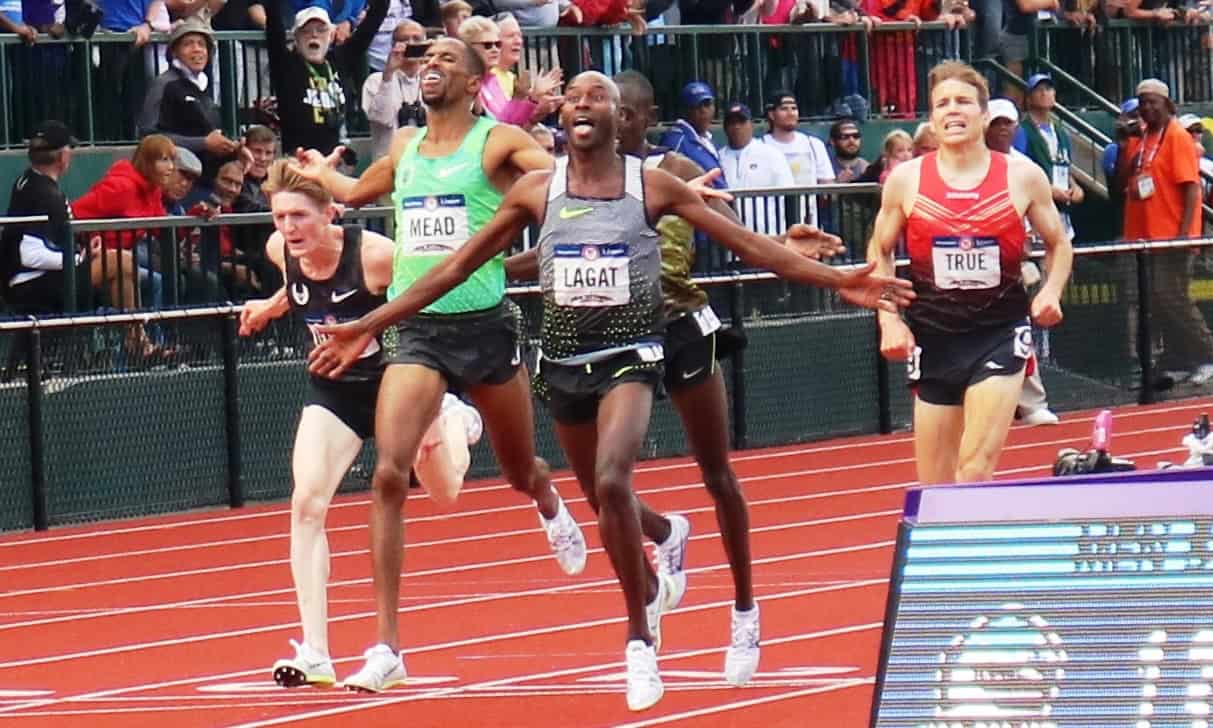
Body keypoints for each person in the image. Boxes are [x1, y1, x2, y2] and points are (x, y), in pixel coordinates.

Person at [307, 70, 913, 711]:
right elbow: (459, 266)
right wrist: (369, 324)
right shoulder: (538, 192)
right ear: (563, 121)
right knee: (599, 498)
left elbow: (749, 246)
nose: (583, 105)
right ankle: (650, 591)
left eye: (597, 96)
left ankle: (640, 642)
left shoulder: (652, 185)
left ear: (622, 117)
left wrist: (838, 278)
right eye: (574, 99)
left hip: (634, 354)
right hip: (566, 360)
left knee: (614, 479)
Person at [287, 37, 588, 692]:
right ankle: (387, 646)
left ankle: (544, 499)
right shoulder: (402, 148)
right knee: (389, 473)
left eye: (449, 58)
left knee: (516, 468)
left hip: (483, 325)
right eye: (425, 57)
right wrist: (316, 172)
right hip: (416, 328)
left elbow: (560, 177)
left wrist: (574, 170)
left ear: (479, 80)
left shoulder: (495, 144)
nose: (432, 64)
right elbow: (360, 191)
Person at [238, 159, 484, 688]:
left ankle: (456, 417)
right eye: (279, 217)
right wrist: (272, 305)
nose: (288, 228)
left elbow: (424, 303)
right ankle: (316, 651)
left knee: (445, 491)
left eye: (300, 217)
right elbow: (299, 284)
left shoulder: (376, 256)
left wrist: (435, 389)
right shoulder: (281, 251)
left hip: (398, 383)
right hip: (336, 392)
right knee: (306, 502)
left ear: (331, 213)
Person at [868, 60, 1073, 485]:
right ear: (932, 117)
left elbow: (1059, 243)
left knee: (974, 469)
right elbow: (880, 251)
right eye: (942, 104)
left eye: (963, 101)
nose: (952, 110)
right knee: (937, 484)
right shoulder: (906, 180)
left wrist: (1051, 291)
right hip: (934, 337)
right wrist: (888, 318)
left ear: (983, 115)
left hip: (998, 333)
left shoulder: (1022, 176)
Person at [1116, 79, 1213, 385]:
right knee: (1155, 302)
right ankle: (1180, 359)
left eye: (1153, 102)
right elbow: (1120, 181)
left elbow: (1191, 190)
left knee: (1174, 299)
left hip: (1171, 236)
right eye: (1142, 101)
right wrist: (1122, 143)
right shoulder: (1140, 138)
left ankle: (1208, 354)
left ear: (1168, 105)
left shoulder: (1177, 137)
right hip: (1143, 237)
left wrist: (1184, 237)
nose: (1146, 107)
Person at [2, 121, 139, 314]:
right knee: (121, 261)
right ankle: (138, 342)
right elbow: (30, 255)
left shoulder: (28, 180)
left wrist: (82, 250)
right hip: (31, 285)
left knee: (119, 260)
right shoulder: (44, 193)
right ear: (63, 156)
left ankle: (137, 339)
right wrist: (79, 258)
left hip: (31, 279)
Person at [986, 97, 1060, 426]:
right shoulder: (965, 164)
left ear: (1016, 127)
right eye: (995, 123)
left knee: (1017, 333)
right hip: (965, 269)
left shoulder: (1025, 169)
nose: (1002, 129)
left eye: (1007, 123)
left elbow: (1051, 231)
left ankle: (1031, 402)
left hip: (1012, 267)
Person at [263, 0, 388, 156]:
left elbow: (373, 21)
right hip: (300, 162)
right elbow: (274, 22)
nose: (314, 35)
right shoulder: (286, 65)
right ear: (296, 37)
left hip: (334, 162)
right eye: (306, 31)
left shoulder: (339, 60)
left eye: (321, 30)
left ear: (330, 36)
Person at [137, 17, 241, 181]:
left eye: (201, 44)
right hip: (179, 182)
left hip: (209, 178)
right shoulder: (164, 85)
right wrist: (203, 143)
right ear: (174, 52)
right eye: (188, 44)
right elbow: (148, 137)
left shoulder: (203, 86)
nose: (197, 49)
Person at [1013, 73, 1082, 242]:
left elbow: (1066, 166)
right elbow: (1018, 171)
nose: (1045, 93)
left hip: (1062, 212)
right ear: (1028, 99)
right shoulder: (1022, 131)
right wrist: (1048, 190)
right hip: (1036, 212)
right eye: (1038, 90)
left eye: (1049, 89)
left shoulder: (1061, 131)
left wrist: (1075, 187)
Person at [719, 101, 795, 235]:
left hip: (768, 235)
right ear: (725, 127)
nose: (736, 127)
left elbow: (788, 196)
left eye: (741, 122)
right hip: (730, 237)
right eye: (731, 122)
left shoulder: (770, 154)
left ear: (751, 125)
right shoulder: (718, 157)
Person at [762, 91, 834, 227]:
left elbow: (827, 186)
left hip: (809, 221)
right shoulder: (761, 145)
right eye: (784, 109)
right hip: (772, 222)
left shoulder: (814, 144)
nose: (791, 113)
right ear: (771, 114)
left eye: (794, 108)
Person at [362, 20, 427, 161]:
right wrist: (388, 74)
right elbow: (382, 119)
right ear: (392, 46)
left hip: (424, 166)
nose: (410, 43)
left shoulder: (431, 80)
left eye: (417, 39)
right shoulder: (376, 80)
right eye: (404, 39)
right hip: (388, 165)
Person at [659, 81, 727, 191]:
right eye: (697, 106)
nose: (703, 110)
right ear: (686, 110)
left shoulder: (708, 140)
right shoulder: (676, 140)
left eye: (707, 104)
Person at [829, 118, 870, 183]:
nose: (852, 140)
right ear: (832, 141)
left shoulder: (867, 169)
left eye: (856, 136)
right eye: (844, 137)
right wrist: (838, 184)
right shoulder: (826, 168)